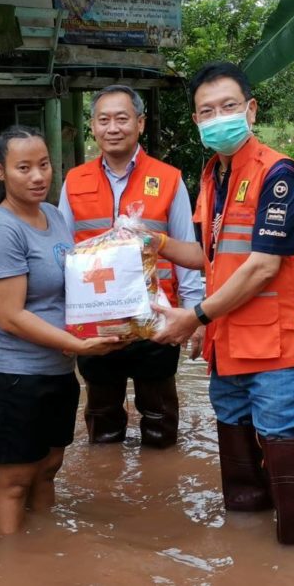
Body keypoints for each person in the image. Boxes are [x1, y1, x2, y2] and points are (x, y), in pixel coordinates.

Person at [150, 62, 294, 545]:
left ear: (250, 109)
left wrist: (195, 316)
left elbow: (262, 266)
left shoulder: (279, 173)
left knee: (285, 446)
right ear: (196, 122)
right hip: (229, 346)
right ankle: (245, 558)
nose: (218, 116)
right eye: (207, 110)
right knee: (239, 469)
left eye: (228, 106)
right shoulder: (213, 176)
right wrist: (152, 242)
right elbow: (209, 255)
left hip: (278, 348)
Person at [0, 125, 122, 536]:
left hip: (57, 371)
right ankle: (10, 567)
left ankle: (48, 556)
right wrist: (78, 344)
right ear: (0, 172)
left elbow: (74, 287)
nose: (38, 176)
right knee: (15, 481)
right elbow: (10, 316)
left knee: (49, 469)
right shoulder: (3, 233)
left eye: (44, 165)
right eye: (24, 168)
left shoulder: (53, 216)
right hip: (15, 376)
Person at [58, 85, 204, 449]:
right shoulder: (74, 181)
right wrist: (61, 323)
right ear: (92, 126)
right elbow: (61, 255)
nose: (113, 127)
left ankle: (160, 489)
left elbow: (187, 252)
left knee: (160, 417)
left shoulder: (168, 179)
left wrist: (194, 318)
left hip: (156, 320)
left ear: (140, 123)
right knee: (102, 418)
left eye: (122, 119)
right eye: (103, 119)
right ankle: (107, 487)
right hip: (96, 323)